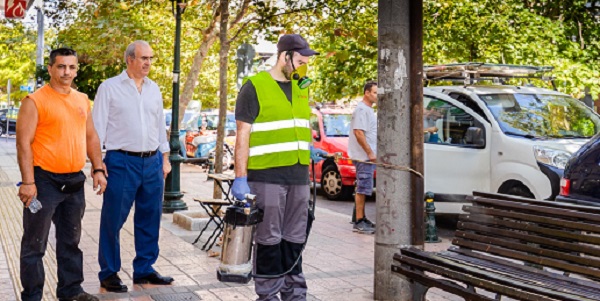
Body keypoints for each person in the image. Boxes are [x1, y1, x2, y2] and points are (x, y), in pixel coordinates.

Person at [232, 33, 325, 301]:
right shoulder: (255, 86)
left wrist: (307, 146)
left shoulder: (301, 86)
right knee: (269, 240)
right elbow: (243, 135)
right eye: (300, 60)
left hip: (298, 176)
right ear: (284, 56)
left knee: (295, 238)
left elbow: (298, 125)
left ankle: (295, 294)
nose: (304, 66)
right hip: (267, 177)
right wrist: (240, 178)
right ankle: (269, 296)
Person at [16, 47, 106, 301]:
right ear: (50, 69)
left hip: (74, 181)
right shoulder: (34, 101)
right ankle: (32, 296)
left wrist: (98, 168)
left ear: (76, 69)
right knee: (35, 244)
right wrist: (28, 182)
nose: (67, 72)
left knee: (71, 241)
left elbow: (91, 136)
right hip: (43, 182)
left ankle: (71, 291)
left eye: (71, 67)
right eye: (61, 67)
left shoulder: (81, 99)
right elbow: (23, 143)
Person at [92, 40, 173, 293]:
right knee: (113, 219)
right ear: (129, 59)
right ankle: (109, 273)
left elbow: (160, 125)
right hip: (121, 161)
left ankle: (145, 269)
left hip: (153, 161)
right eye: (143, 58)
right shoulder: (110, 88)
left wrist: (166, 158)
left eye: (150, 58)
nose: (148, 62)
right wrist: (97, 165)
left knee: (150, 217)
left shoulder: (154, 89)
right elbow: (96, 129)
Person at [348, 82, 378, 234]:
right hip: (364, 157)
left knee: (364, 186)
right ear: (367, 93)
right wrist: (370, 153)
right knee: (363, 188)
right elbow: (358, 132)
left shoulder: (368, 110)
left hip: (366, 156)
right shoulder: (361, 110)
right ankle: (359, 221)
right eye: (375, 93)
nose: (377, 96)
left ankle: (361, 217)